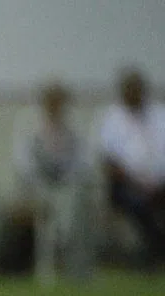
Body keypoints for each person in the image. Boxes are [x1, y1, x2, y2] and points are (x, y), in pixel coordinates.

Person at [12, 82, 89, 283]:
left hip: (66, 184)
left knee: (66, 227)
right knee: (44, 228)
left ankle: (74, 269)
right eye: (51, 101)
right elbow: (23, 159)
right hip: (40, 183)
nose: (55, 105)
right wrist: (35, 181)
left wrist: (67, 177)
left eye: (59, 101)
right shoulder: (30, 122)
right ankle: (45, 270)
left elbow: (82, 159)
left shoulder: (74, 123)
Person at [97, 69, 165, 265]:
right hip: (126, 185)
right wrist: (138, 183)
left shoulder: (159, 115)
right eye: (130, 89)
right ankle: (156, 251)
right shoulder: (112, 119)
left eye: (138, 88)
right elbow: (108, 162)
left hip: (159, 183)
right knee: (138, 204)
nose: (135, 93)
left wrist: (156, 182)